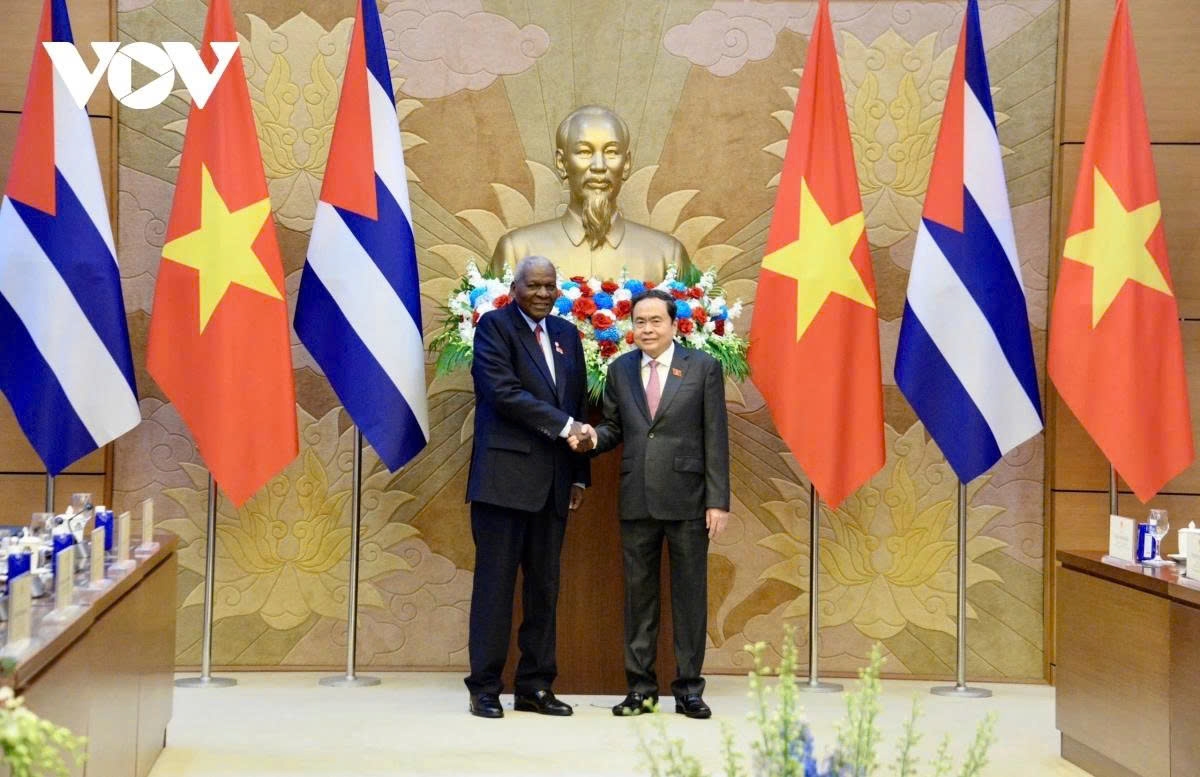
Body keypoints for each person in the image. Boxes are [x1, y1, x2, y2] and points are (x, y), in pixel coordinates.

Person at [570, 288, 730, 719]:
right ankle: (639, 689)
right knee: (639, 598)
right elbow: (615, 430)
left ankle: (689, 690)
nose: (647, 329)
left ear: (674, 325)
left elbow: (715, 437)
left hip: (690, 500)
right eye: (639, 322)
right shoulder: (620, 369)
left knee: (689, 598)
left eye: (656, 321)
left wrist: (718, 502)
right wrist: (589, 438)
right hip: (637, 498)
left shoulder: (703, 367)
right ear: (631, 326)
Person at [465, 255, 595, 719]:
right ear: (514, 287)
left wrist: (579, 472)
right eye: (533, 285)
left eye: (549, 286)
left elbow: (577, 399)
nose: (542, 294)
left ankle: (535, 686)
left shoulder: (566, 335)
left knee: (545, 589)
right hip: (503, 483)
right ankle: (484, 687)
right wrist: (565, 426)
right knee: (496, 589)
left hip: (554, 484)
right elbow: (503, 392)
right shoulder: (494, 328)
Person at [490, 105, 689, 281]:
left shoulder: (668, 255)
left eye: (611, 152)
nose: (599, 166)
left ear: (626, 164)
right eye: (584, 152)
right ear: (562, 163)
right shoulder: (516, 251)